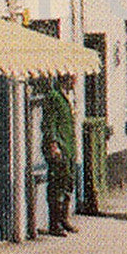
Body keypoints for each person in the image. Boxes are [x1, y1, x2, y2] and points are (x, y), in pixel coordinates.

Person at [41, 76, 79, 237]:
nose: (75, 81)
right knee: (57, 184)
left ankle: (64, 219)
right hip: (59, 148)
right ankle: (54, 223)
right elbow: (50, 123)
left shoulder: (67, 97)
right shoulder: (54, 97)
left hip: (68, 147)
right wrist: (53, 144)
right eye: (73, 77)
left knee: (68, 182)